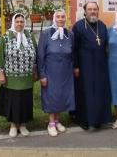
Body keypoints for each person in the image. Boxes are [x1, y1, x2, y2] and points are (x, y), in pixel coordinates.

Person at [0, 13, 39, 138]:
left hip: (26, 77)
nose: (19, 24)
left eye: (22, 21)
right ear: (13, 23)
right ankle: (13, 125)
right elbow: (0, 56)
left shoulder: (29, 36)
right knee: (13, 101)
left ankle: (23, 124)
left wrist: (36, 71)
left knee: (25, 100)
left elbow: (36, 54)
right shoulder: (6, 37)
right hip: (11, 77)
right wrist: (0, 73)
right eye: (17, 22)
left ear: (24, 23)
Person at [71, 2, 112, 130]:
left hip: (100, 63)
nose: (92, 11)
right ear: (85, 11)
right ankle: (84, 119)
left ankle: (100, 118)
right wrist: (76, 66)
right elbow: (74, 48)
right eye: (90, 9)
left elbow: (105, 45)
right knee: (86, 91)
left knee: (99, 90)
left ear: (98, 11)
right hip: (85, 64)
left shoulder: (102, 26)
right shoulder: (78, 26)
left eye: (95, 9)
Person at [38, 9, 75, 137]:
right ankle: (51, 123)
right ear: (54, 18)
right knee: (51, 96)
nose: (60, 19)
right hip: (50, 71)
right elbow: (40, 55)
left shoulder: (70, 35)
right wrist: (42, 74)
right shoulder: (46, 34)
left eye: (62, 17)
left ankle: (57, 121)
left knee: (61, 95)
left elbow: (73, 54)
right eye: (58, 17)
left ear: (65, 19)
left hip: (65, 71)